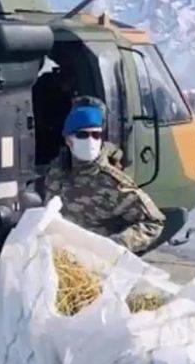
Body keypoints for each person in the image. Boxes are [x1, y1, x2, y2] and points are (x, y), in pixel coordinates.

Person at [43, 99, 166, 253]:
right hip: (60, 256)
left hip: (96, 262)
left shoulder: (112, 182)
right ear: (68, 140)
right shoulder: (56, 173)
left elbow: (154, 224)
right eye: (82, 135)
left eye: (96, 134)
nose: (91, 140)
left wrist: (114, 245)